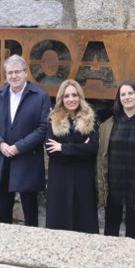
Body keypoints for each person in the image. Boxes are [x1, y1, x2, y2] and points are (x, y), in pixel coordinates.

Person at [0, 54, 50, 226]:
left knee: (30, 216)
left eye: (17, 72)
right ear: (6, 75)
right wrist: (0, 144)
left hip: (27, 161)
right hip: (2, 161)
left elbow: (43, 128)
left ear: (26, 73)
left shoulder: (40, 96)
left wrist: (19, 147)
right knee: (3, 217)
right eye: (10, 73)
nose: (14, 76)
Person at [96, 80, 135, 239]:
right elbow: (101, 151)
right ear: (118, 98)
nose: (127, 97)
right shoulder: (109, 121)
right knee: (111, 228)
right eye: (123, 94)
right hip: (113, 181)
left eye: (130, 93)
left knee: (134, 229)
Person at [45, 79, 99, 233]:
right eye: (66, 96)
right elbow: (51, 151)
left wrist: (63, 147)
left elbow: (93, 148)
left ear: (80, 97)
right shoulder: (53, 119)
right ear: (61, 99)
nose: (71, 99)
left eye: (74, 95)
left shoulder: (91, 119)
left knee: (84, 225)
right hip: (60, 180)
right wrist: (81, 147)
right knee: (59, 227)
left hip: (83, 180)